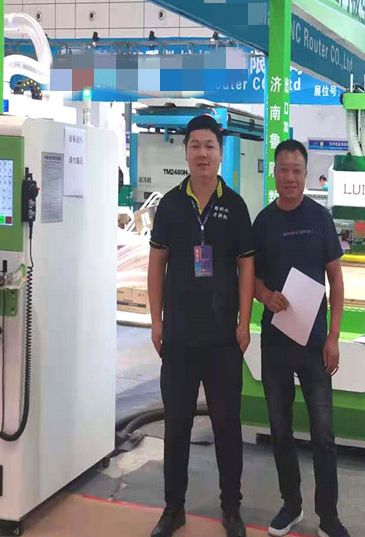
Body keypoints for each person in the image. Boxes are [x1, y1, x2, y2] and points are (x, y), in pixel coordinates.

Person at [147, 115, 254, 537]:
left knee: (227, 427)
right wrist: (155, 320)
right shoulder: (171, 205)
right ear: (186, 151)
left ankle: (232, 509)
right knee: (177, 426)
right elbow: (157, 264)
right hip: (178, 337)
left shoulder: (236, 206)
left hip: (223, 338)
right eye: (195, 146)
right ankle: (173, 508)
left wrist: (245, 321)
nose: (202, 154)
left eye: (210, 146)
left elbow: (247, 267)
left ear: (221, 153)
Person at [253, 140, 350, 537]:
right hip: (276, 343)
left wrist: (334, 337)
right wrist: (265, 296)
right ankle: (290, 505)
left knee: (323, 434)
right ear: (274, 172)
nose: (290, 177)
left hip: (314, 346)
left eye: (297, 170)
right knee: (280, 430)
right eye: (284, 169)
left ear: (306, 174)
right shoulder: (263, 222)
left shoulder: (319, 218)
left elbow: (336, 280)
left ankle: (328, 517)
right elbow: (252, 280)